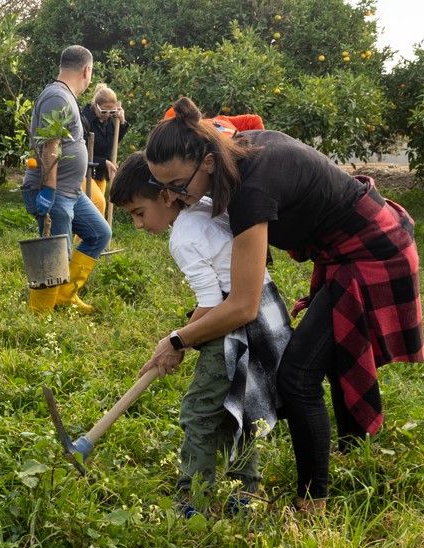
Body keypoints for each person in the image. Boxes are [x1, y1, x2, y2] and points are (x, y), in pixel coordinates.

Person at [139, 97, 424, 515]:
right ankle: (333, 470)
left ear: (207, 163)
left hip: (375, 253)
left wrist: (178, 341)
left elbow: (242, 306)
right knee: (310, 365)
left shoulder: (251, 189)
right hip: (345, 249)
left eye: (178, 186)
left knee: (298, 377)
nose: (175, 196)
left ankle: (312, 506)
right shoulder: (232, 152)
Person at [110, 152, 290, 516]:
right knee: (238, 407)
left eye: (138, 213)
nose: (138, 225)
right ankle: (245, 494)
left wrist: (176, 341)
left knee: (198, 411)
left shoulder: (183, 238)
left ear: (164, 196)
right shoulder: (205, 206)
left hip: (235, 328)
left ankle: (193, 500)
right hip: (268, 316)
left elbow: (212, 304)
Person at [21, 45, 111, 314]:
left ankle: (65, 295)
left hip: (71, 191)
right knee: (56, 253)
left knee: (99, 233)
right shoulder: (57, 97)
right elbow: (51, 145)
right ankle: (40, 315)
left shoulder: (65, 96)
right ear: (87, 70)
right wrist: (48, 190)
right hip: (55, 189)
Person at [81, 84, 125, 187]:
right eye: (104, 111)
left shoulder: (108, 120)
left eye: (112, 111)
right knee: (98, 202)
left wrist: (122, 123)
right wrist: (103, 162)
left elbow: (113, 143)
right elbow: (80, 152)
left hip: (101, 174)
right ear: (95, 106)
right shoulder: (84, 120)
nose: (108, 115)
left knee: (100, 203)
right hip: (85, 173)